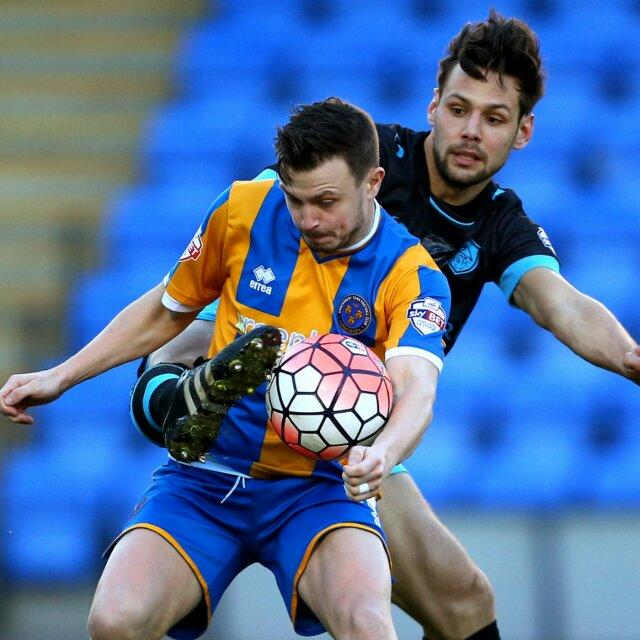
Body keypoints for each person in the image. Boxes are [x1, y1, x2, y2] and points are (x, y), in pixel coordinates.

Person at [131, 10, 640, 640]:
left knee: (465, 603)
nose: (470, 131)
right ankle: (172, 403)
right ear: (433, 106)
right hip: (259, 382)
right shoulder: (366, 158)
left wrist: (632, 358)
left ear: (523, 131)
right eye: (458, 109)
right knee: (197, 340)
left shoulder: (501, 226)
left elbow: (563, 304)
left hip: (347, 432)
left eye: (494, 118)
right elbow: (262, 212)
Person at [0, 99, 452, 640]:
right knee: (114, 622)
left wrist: (385, 452)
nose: (308, 219)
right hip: (205, 475)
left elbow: (416, 389)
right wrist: (62, 375)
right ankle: (180, 401)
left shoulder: (411, 275)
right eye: (295, 199)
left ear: (373, 182)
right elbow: (167, 309)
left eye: (326, 201)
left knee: (368, 627)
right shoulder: (243, 209)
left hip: (319, 488)